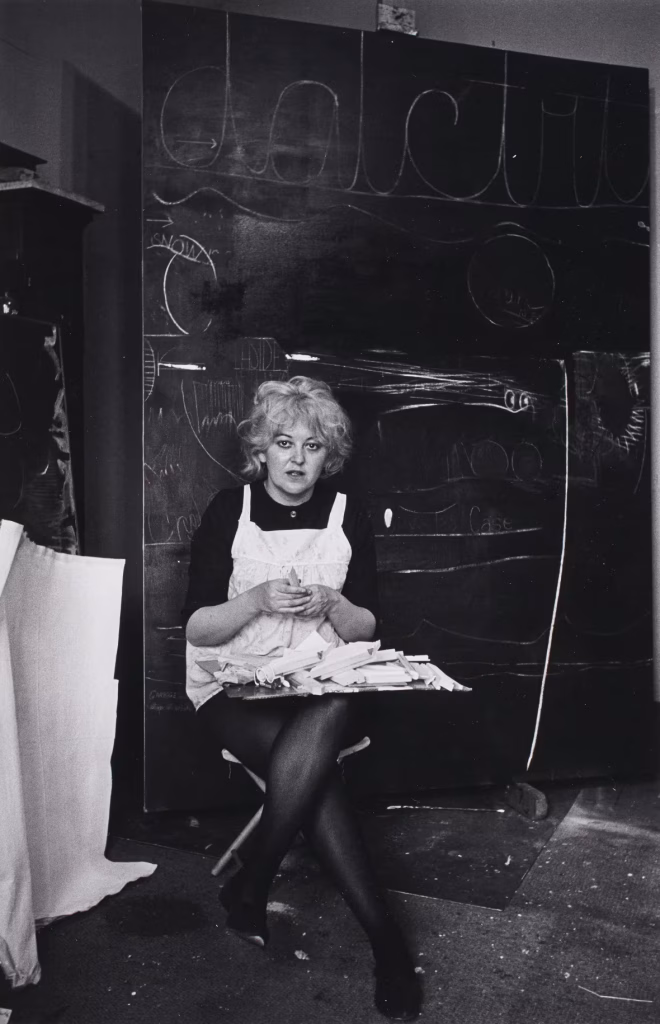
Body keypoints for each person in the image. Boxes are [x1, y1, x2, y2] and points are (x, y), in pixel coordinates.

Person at [182, 376, 422, 1021]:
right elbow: (198, 628)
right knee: (318, 769)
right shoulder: (227, 509)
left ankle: (254, 885)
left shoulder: (350, 513)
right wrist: (256, 599)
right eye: (282, 442)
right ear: (260, 448)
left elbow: (367, 630)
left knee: (332, 711)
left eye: (311, 446)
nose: (295, 459)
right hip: (233, 686)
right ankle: (388, 946)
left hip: (318, 683)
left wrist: (335, 602)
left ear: (329, 455)